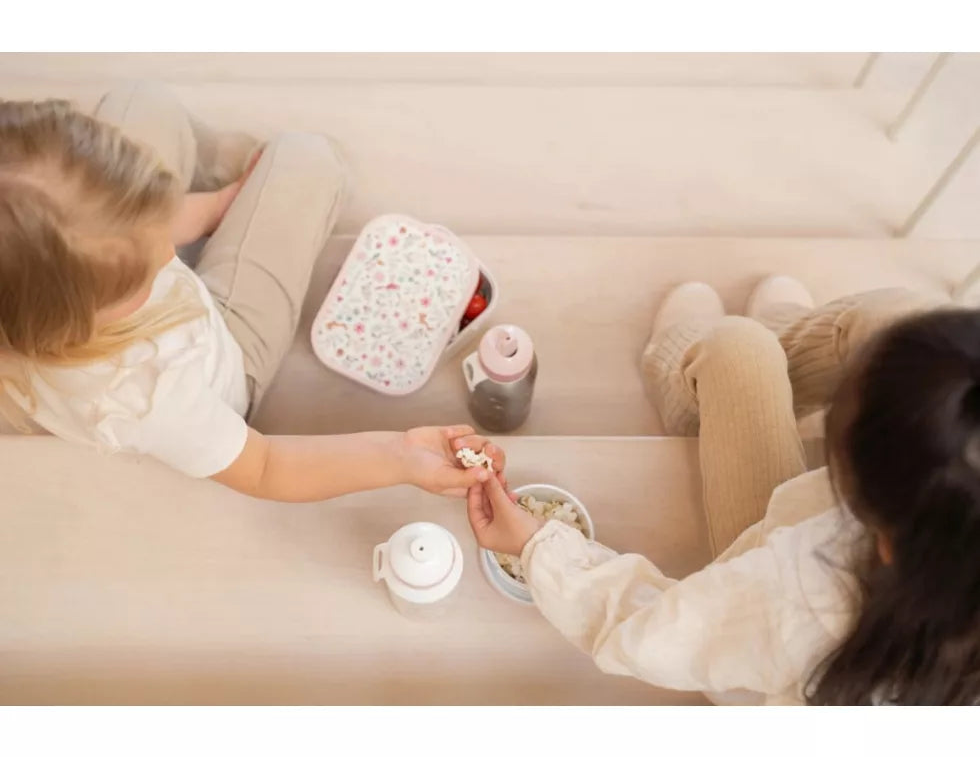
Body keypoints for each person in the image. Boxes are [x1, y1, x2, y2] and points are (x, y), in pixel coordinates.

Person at [467, 277, 980, 705]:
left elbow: (649, 630)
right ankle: (782, 333)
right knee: (898, 314)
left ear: (883, 536)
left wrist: (535, 548)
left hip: (761, 638)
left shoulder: (805, 595)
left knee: (735, 348)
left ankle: (697, 366)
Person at [0, 85, 503, 501]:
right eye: (149, 264)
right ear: (80, 316)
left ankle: (223, 191)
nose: (167, 245)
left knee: (140, 102)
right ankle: (243, 185)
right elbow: (266, 467)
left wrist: (212, 208)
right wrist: (399, 455)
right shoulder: (152, 400)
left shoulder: (21, 302)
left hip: (135, 311)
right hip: (224, 352)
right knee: (308, 157)